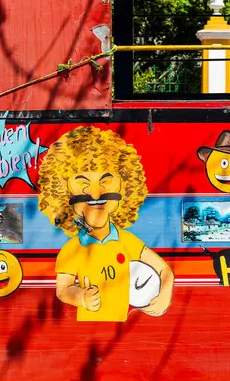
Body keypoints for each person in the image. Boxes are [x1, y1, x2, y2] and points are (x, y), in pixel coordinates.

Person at [38, 127, 174, 322]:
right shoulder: (72, 250)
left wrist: (164, 296)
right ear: (62, 195)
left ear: (125, 187)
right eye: (83, 183)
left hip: (122, 330)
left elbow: (165, 270)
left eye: (106, 180)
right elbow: (62, 290)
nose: (95, 193)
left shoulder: (128, 242)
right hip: (86, 332)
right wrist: (80, 297)